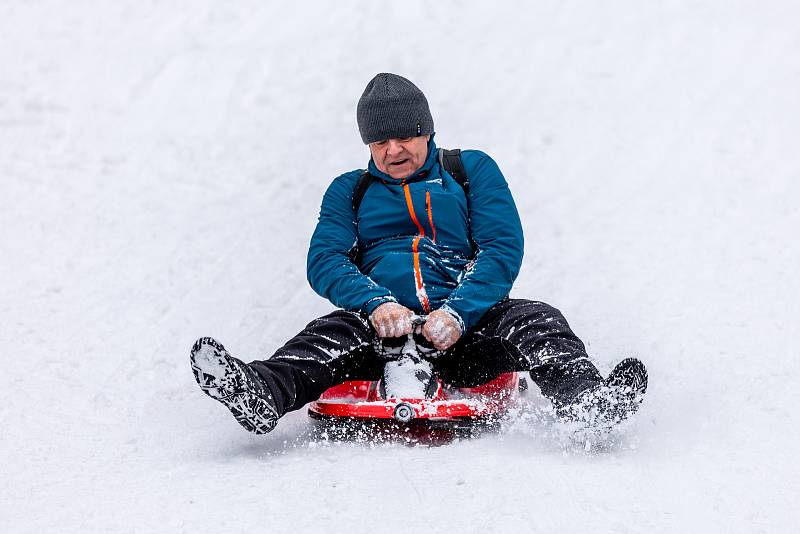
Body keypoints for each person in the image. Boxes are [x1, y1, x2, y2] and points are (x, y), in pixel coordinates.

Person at [190, 73, 647, 435]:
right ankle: (258, 394)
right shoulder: (350, 191)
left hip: (467, 331)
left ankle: (587, 402)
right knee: (321, 340)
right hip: (381, 331)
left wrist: (459, 313)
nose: (393, 150)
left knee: (538, 321)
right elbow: (324, 259)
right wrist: (375, 303)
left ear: (426, 130)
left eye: (405, 136)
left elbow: (501, 248)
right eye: (379, 141)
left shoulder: (468, 171)